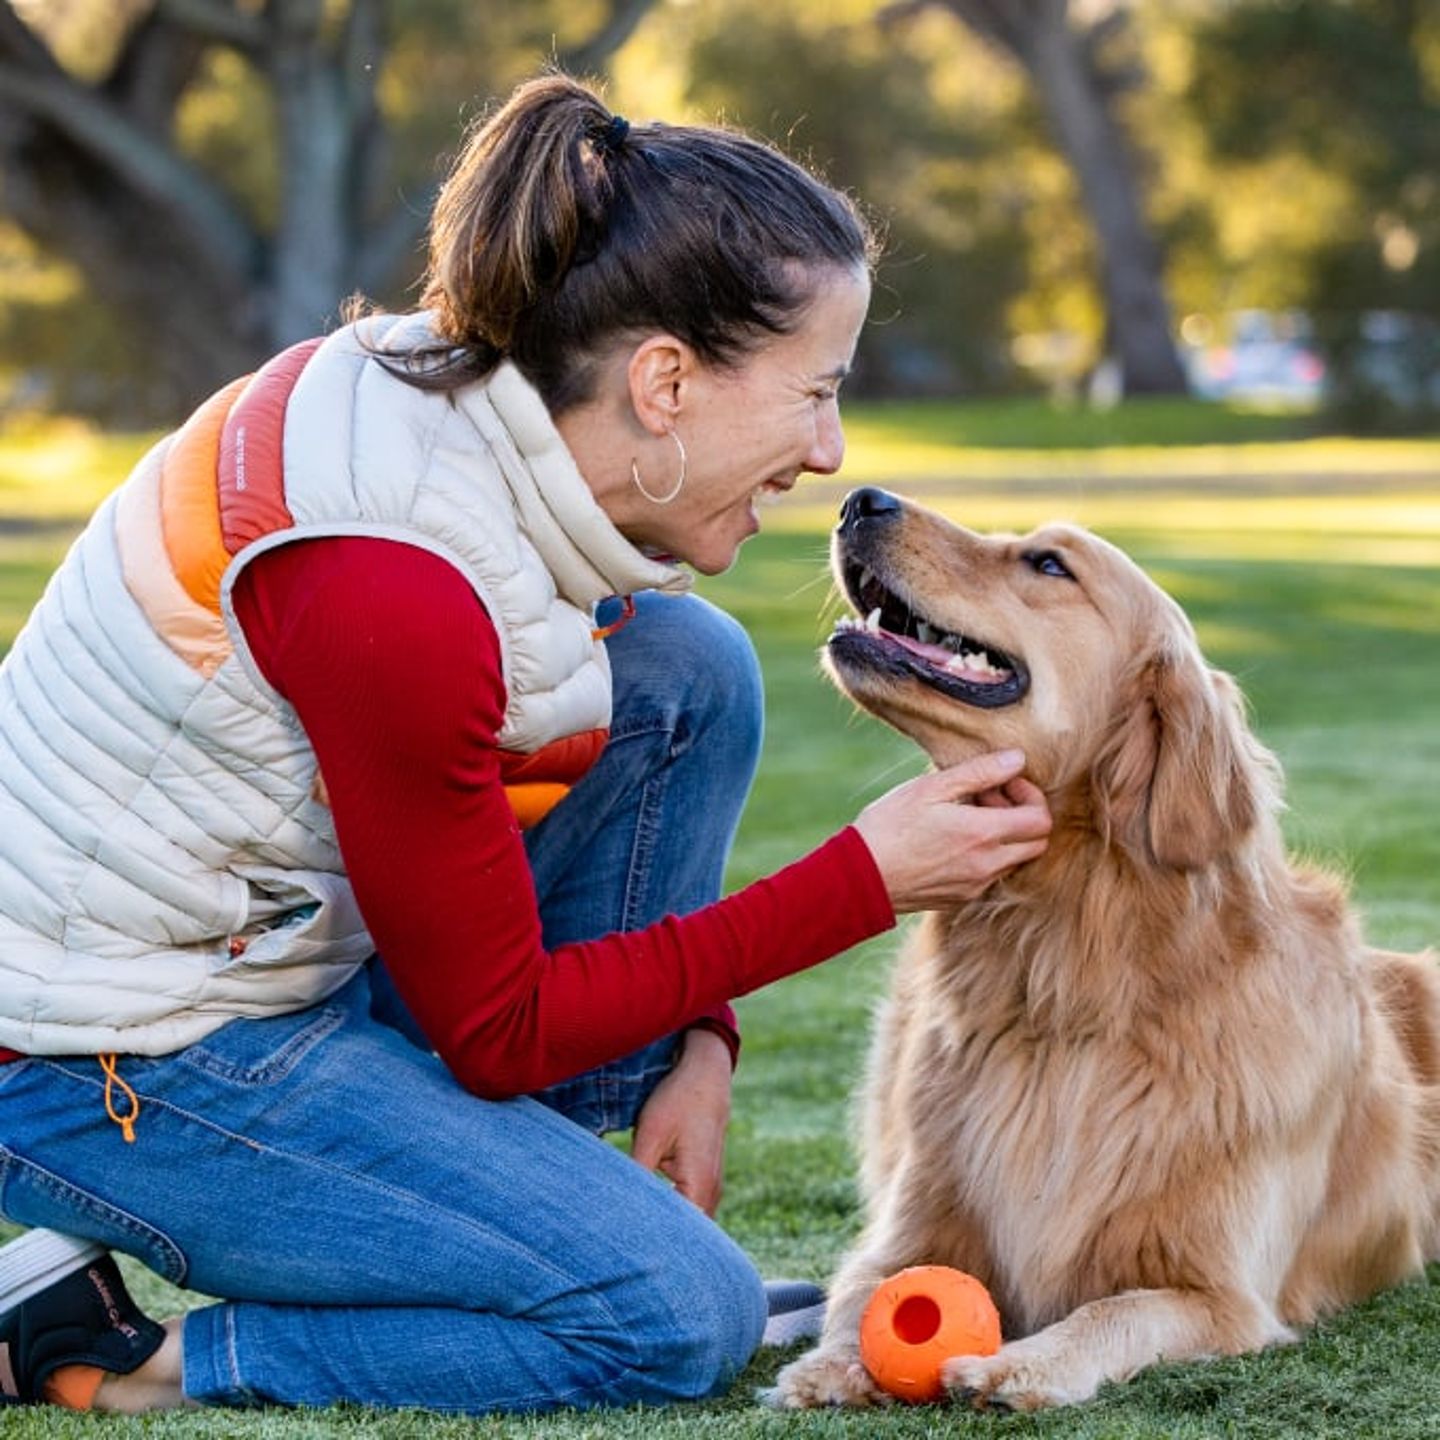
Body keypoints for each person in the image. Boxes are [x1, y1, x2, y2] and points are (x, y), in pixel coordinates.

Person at [0, 74, 1051, 1416]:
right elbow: (499, 1034)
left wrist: (701, 1043)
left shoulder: (486, 423)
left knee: (687, 667)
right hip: (112, 1058)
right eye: (813, 394)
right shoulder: (394, 583)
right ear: (664, 381)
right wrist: (866, 880)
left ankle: (516, 1230)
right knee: (678, 1319)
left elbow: (622, 729)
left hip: (265, 958)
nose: (827, 449)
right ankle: (120, 1355)